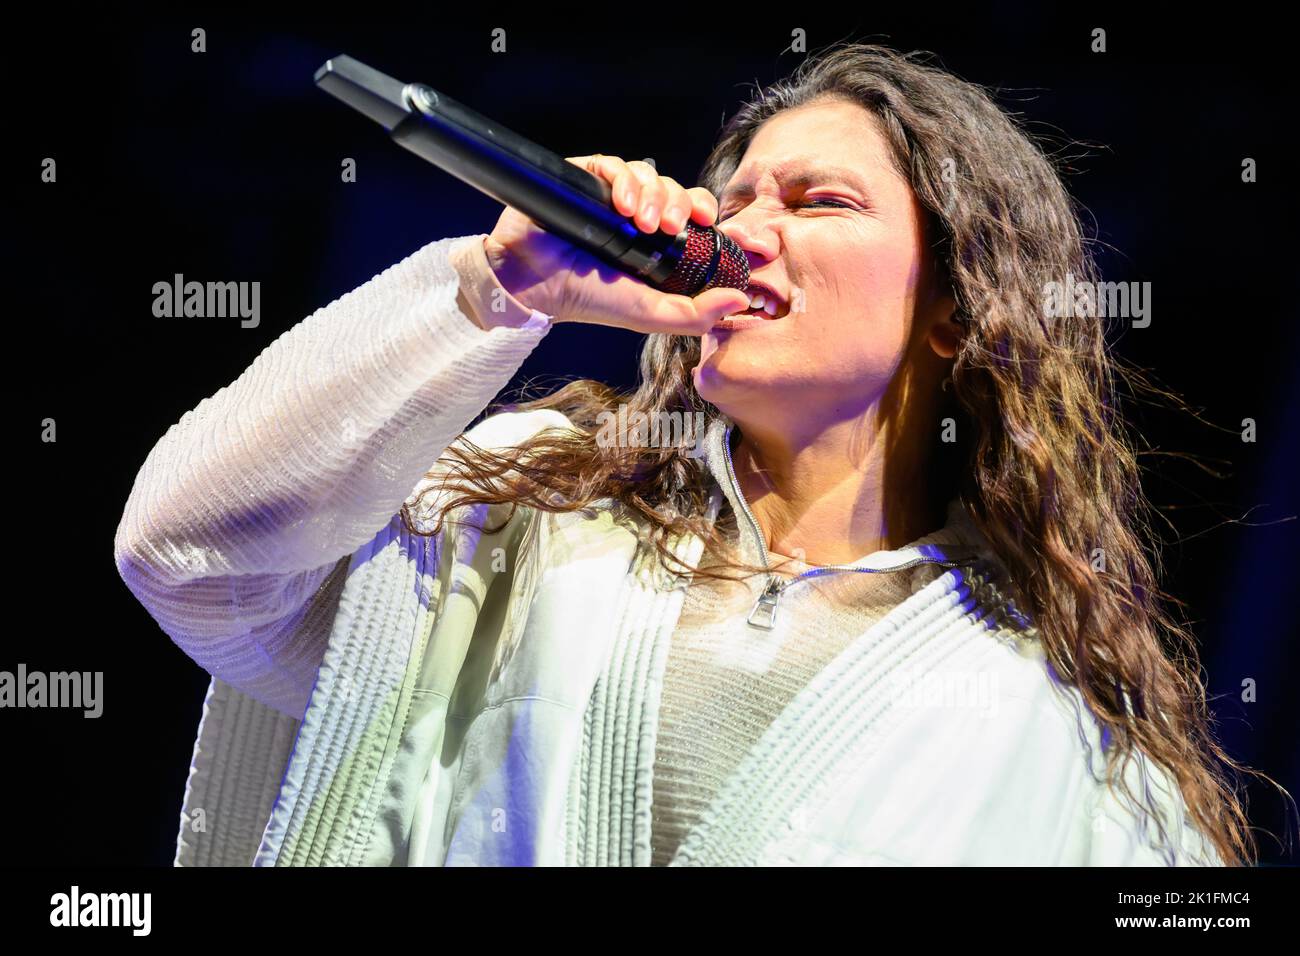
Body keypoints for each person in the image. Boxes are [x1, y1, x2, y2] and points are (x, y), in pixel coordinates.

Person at [114, 42, 1256, 866]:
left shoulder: (1056, 736)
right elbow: (185, 549)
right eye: (734, 197)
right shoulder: (518, 516)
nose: (739, 230)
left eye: (816, 202)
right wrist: (500, 290)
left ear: (955, 307)